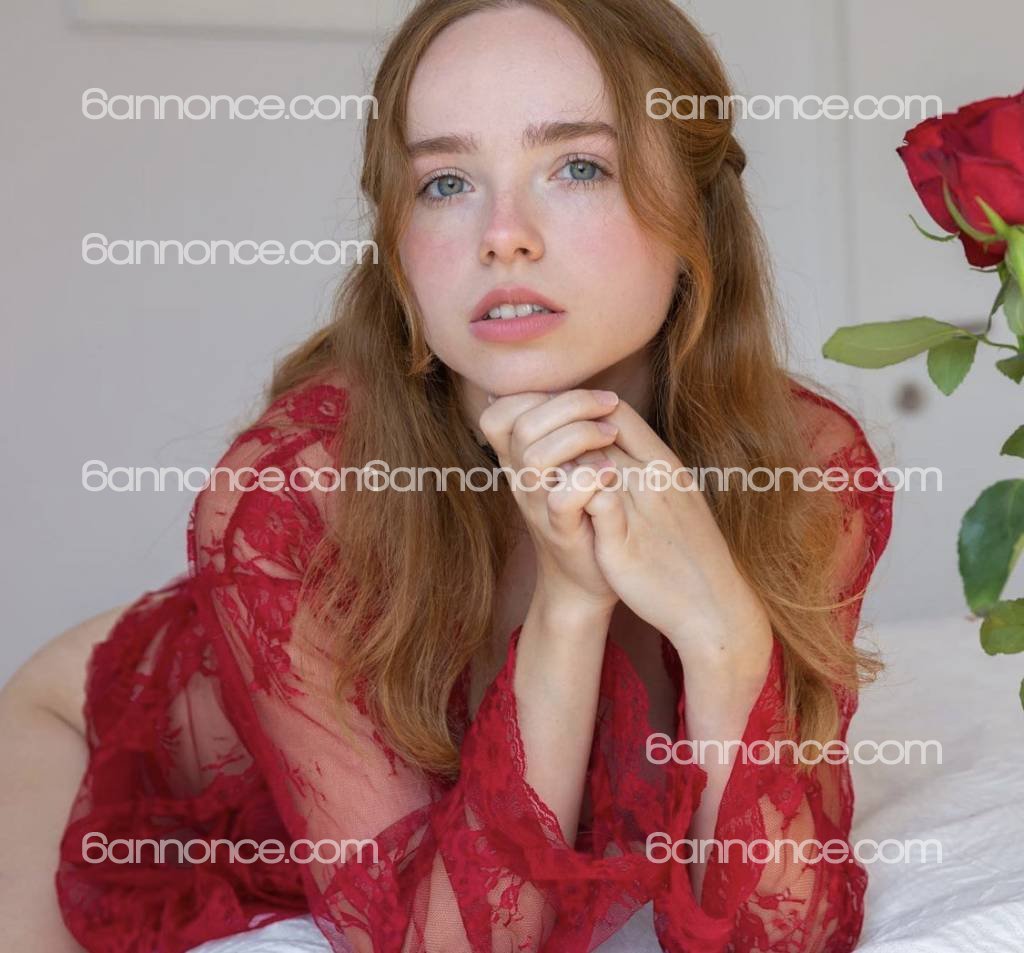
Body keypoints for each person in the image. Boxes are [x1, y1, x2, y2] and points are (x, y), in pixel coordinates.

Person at [0, 1, 895, 950]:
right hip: (90, 739)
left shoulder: (801, 470)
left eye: (579, 167)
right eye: (446, 183)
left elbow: (781, 932)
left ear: (695, 219)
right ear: (397, 247)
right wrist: (566, 609)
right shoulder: (299, 492)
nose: (503, 235)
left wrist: (727, 643)